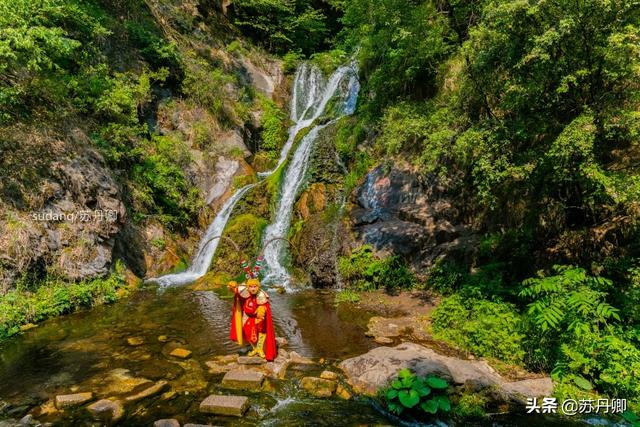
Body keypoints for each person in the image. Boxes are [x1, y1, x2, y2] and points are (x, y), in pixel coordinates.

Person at [228, 278, 277, 361]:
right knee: (247, 331)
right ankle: (254, 348)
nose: (253, 288)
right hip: (247, 317)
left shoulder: (261, 295)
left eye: (255, 286)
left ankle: (260, 348)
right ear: (247, 287)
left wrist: (261, 310)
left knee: (261, 330)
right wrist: (232, 286)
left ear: (258, 287)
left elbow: (264, 306)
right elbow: (236, 291)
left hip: (258, 317)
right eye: (251, 286)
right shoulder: (245, 292)